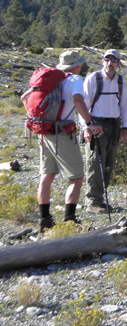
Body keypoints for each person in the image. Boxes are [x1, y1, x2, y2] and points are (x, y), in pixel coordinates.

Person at [21, 50, 94, 234]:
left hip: (44, 131)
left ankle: (44, 220)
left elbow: (24, 98)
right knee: (76, 177)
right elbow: (77, 99)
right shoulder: (75, 79)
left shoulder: (50, 79)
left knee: (46, 176)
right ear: (77, 66)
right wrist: (90, 123)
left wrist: (37, 119)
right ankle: (70, 220)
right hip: (62, 132)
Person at [82, 49, 127, 212]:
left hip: (114, 127)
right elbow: (83, 106)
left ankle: (100, 199)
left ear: (119, 63)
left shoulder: (121, 81)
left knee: (109, 164)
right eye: (107, 60)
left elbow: (124, 106)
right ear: (102, 61)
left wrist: (125, 128)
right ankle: (92, 202)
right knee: (94, 163)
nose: (110, 63)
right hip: (96, 126)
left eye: (113, 60)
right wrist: (86, 127)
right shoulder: (93, 79)